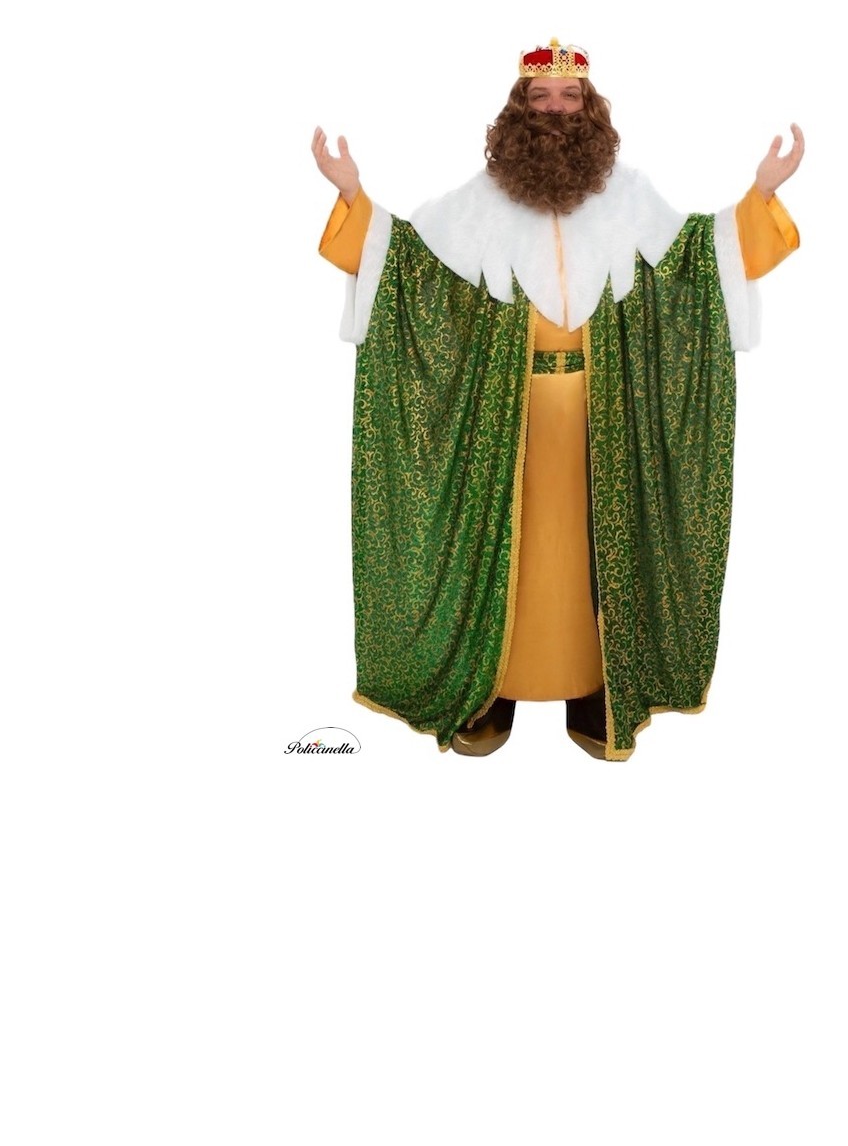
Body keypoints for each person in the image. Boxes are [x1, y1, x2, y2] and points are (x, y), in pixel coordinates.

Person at [314, 39, 803, 760]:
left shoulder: (630, 200)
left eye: (569, 97)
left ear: (590, 109)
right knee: (505, 546)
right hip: (503, 421)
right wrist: (354, 198)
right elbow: (408, 267)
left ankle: (598, 689)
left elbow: (696, 261)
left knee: (594, 549)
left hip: (607, 420)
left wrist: (760, 198)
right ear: (518, 110)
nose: (555, 111)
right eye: (540, 98)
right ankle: (489, 688)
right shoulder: (474, 206)